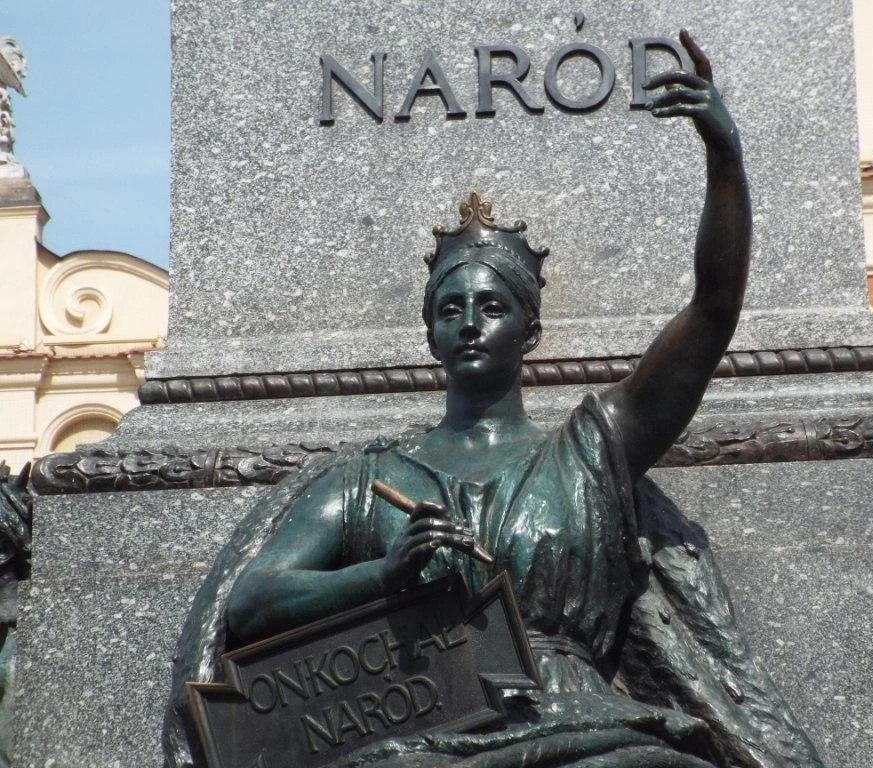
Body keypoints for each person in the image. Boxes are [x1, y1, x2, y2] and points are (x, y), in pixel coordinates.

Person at [163, 31, 825, 768]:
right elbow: (253, 601)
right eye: (450, 309)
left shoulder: (590, 454)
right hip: (421, 717)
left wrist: (725, 159)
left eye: (492, 306)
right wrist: (382, 578)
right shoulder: (367, 481)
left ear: (529, 329)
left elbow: (712, 312)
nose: (470, 322)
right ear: (431, 336)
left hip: (573, 717)